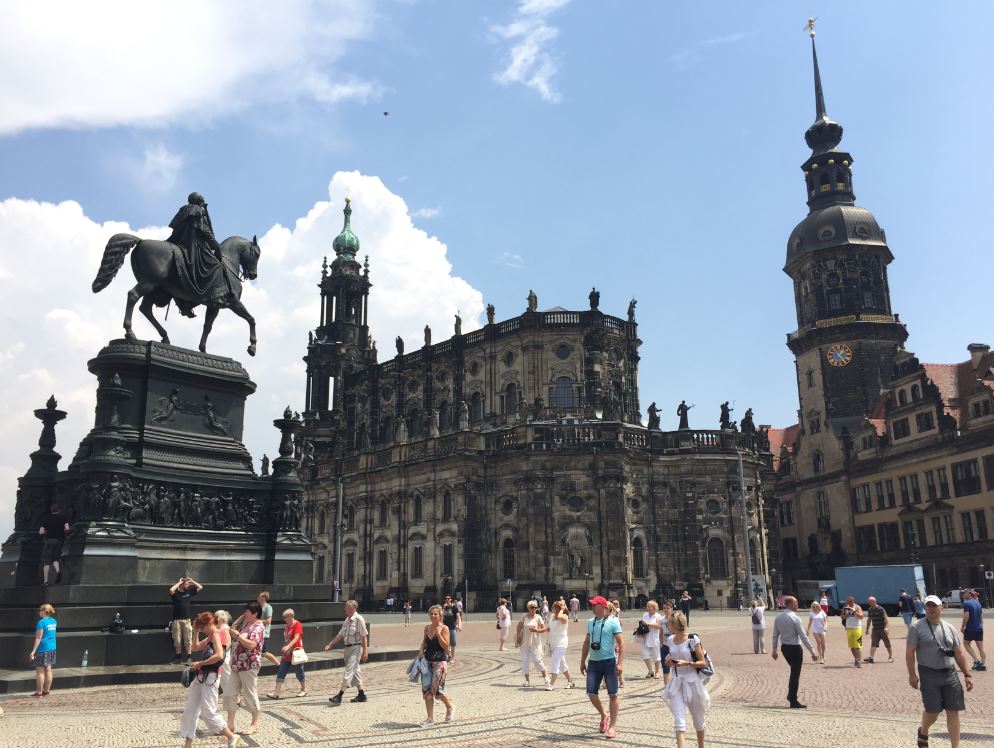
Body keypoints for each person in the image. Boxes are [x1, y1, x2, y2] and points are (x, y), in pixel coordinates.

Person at [907, 594, 974, 748]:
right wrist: (912, 675)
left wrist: (967, 674)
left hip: (950, 673)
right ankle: (923, 730)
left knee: (953, 710)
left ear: (941, 608)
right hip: (928, 673)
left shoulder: (949, 627)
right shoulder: (917, 627)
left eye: (934, 605)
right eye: (928, 605)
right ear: (925, 608)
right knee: (933, 711)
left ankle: (955, 746)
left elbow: (959, 652)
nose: (931, 608)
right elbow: (910, 651)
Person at [180, 612, 241, 748]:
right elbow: (195, 647)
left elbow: (219, 655)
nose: (202, 630)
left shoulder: (216, 635)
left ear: (210, 624)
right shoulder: (209, 637)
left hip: (211, 677)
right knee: (190, 709)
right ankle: (187, 744)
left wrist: (200, 664)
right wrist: (195, 632)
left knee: (208, 712)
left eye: (202, 627)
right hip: (201, 677)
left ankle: (232, 737)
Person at [663, 611, 709, 748]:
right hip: (677, 683)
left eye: (669, 623)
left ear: (674, 625)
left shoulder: (692, 639)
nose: (667, 625)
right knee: (679, 721)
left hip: (692, 683)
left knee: (698, 721)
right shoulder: (670, 639)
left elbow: (703, 662)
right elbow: (669, 660)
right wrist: (669, 662)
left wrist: (687, 663)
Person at [580, 596, 624, 739]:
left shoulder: (613, 621)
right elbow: (587, 643)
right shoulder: (590, 622)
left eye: (595, 605)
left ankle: (612, 726)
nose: (592, 607)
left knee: (613, 694)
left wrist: (620, 662)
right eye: (592, 605)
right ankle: (604, 715)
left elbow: (621, 643)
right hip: (593, 662)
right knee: (591, 693)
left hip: (609, 661)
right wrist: (582, 661)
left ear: (603, 606)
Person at [224, 602, 264, 736]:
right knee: (230, 693)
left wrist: (238, 636)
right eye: (245, 611)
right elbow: (232, 629)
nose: (245, 613)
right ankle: (230, 725)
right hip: (236, 664)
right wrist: (242, 617)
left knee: (249, 693)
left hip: (249, 664)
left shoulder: (258, 626)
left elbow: (252, 645)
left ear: (255, 613)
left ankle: (254, 724)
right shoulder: (246, 624)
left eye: (247, 611)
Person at [771, 595, 818, 708]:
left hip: (785, 648)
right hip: (795, 648)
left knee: (794, 672)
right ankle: (793, 699)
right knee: (795, 674)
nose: (797, 605)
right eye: (796, 603)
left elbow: (775, 635)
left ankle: (791, 696)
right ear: (791, 604)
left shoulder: (778, 617)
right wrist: (812, 651)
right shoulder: (795, 618)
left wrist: (774, 649)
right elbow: (803, 636)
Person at [324, 599, 369, 705]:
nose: (344, 609)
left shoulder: (359, 619)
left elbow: (364, 636)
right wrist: (331, 644)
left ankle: (339, 696)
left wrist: (365, 652)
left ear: (352, 608)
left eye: (346, 607)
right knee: (355, 671)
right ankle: (361, 694)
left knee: (349, 671)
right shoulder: (347, 620)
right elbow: (340, 634)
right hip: (347, 649)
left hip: (356, 648)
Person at [416, 605, 454, 727]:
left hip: (440, 662)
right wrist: (421, 650)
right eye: (431, 614)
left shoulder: (444, 628)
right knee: (427, 691)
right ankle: (430, 718)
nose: (433, 616)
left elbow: (446, 646)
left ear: (440, 615)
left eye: (435, 614)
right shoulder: (427, 627)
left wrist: (438, 634)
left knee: (437, 691)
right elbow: (424, 642)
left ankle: (449, 706)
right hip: (427, 662)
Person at [267, 609, 306, 699]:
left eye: (286, 617)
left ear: (291, 616)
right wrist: (285, 648)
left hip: (295, 653)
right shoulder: (287, 626)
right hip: (287, 654)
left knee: (299, 672)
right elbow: (286, 639)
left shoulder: (297, 625)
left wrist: (288, 647)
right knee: (281, 671)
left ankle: (304, 689)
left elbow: (296, 638)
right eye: (284, 617)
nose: (284, 619)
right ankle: (276, 692)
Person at [516, 600, 553, 689]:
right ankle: (527, 680)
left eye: (535, 608)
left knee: (537, 660)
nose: (534, 609)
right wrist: (518, 636)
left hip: (535, 642)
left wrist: (536, 630)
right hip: (524, 642)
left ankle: (546, 678)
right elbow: (519, 626)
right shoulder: (524, 616)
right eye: (532, 607)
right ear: (528, 608)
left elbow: (543, 629)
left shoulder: (538, 617)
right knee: (525, 661)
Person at [169, 577, 203, 665]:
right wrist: (179, 582)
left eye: (189, 584)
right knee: (177, 640)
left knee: (188, 639)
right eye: (186, 584)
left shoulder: (189, 592)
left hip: (187, 620)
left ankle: (189, 657)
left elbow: (200, 587)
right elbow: (171, 589)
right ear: (182, 584)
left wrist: (192, 581)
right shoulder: (175, 594)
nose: (188, 586)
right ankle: (178, 658)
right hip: (176, 620)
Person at [29, 603, 57, 697]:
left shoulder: (41, 622)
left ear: (44, 611)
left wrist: (33, 651)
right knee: (48, 669)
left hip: (42, 649)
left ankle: (39, 691)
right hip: (52, 648)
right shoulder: (53, 621)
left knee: (40, 671)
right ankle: (47, 690)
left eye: (40, 610)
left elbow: (38, 638)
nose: (39, 611)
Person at [37, 505, 69, 586]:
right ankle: (58, 571)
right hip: (59, 541)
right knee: (55, 558)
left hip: (49, 541)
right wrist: (61, 531)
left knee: (46, 561)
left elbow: (40, 532)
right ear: (59, 510)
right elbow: (67, 528)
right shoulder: (63, 518)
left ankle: (46, 581)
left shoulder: (46, 519)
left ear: (51, 510)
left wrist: (47, 532)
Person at [548, 599, 576, 688]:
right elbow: (550, 628)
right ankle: (570, 681)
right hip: (553, 643)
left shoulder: (564, 617)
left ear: (557, 608)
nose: (551, 608)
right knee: (562, 663)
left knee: (555, 662)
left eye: (553, 607)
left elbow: (560, 617)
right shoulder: (552, 616)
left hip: (561, 643)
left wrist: (562, 609)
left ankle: (551, 684)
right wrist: (538, 630)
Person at [961, 589, 986, 671]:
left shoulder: (966, 603)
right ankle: (983, 664)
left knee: (966, 644)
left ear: (969, 594)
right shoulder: (978, 603)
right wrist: (981, 624)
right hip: (979, 628)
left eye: (964, 593)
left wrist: (963, 627)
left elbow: (966, 616)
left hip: (970, 628)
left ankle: (976, 661)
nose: (963, 594)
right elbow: (981, 615)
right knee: (981, 648)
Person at [863, 596, 894, 663]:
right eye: (869, 602)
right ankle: (871, 658)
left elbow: (886, 619)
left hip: (882, 629)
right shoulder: (870, 609)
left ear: (874, 601)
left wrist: (886, 628)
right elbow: (869, 619)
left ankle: (890, 657)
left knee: (887, 643)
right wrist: (867, 629)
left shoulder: (881, 609)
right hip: (875, 630)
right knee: (873, 643)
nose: (869, 603)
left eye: (870, 602)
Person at [640, 600, 665, 678]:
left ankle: (657, 672)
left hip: (655, 637)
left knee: (656, 656)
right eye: (647, 606)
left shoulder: (658, 616)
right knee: (645, 655)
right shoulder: (645, 615)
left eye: (650, 606)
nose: (648, 608)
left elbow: (658, 626)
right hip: (646, 637)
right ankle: (650, 671)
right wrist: (641, 631)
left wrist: (647, 624)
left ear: (654, 607)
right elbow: (642, 624)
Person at [256, 591, 280, 667]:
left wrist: (256, 622)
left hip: (264, 634)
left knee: (263, 652)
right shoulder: (258, 607)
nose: (257, 598)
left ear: (263, 598)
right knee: (257, 651)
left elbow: (268, 621)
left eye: (259, 596)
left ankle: (278, 664)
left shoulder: (268, 607)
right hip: (257, 632)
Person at [841, 595, 865, 667]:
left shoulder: (857, 607)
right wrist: (846, 615)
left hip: (857, 628)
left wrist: (854, 611)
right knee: (852, 647)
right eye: (848, 601)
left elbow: (861, 616)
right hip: (849, 628)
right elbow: (842, 617)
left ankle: (859, 662)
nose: (849, 602)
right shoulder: (845, 608)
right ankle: (856, 659)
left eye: (850, 601)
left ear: (853, 600)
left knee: (858, 646)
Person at [441, 595, 462, 662]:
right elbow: (440, 616)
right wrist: (444, 608)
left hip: (452, 627)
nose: (447, 600)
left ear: (451, 599)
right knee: (445, 643)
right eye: (446, 598)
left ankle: (452, 658)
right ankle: (447, 656)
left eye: (448, 598)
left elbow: (458, 616)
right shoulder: (444, 607)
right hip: (445, 627)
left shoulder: (454, 607)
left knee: (453, 642)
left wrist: (459, 624)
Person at [660, 600, 674, 685]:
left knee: (676, 666)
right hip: (665, 646)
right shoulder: (661, 619)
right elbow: (661, 632)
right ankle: (667, 688)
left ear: (671, 609)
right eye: (664, 608)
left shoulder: (674, 618)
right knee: (665, 667)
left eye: (667, 608)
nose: (665, 609)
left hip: (674, 645)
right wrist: (661, 644)